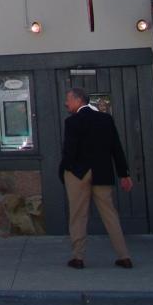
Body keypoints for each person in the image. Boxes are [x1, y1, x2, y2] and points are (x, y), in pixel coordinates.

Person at [59, 87, 134, 269]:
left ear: (78, 100)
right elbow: (116, 148)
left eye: (69, 99)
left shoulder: (72, 122)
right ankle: (124, 256)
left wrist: (64, 169)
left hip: (78, 173)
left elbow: (69, 150)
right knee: (110, 214)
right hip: (102, 172)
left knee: (78, 215)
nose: (66, 103)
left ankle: (78, 257)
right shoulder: (106, 119)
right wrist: (124, 174)